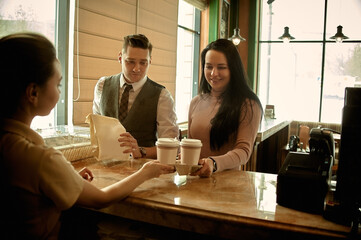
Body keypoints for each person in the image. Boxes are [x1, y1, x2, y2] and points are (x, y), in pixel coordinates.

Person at [0, 32, 175, 239]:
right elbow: (100, 199)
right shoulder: (41, 158)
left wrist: (67, 177)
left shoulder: (12, 145)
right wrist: (146, 172)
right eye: (58, 84)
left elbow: (172, 143)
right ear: (33, 93)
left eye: (143, 63)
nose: (136, 68)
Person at [93, 34, 179, 159]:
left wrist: (142, 151)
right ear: (120, 58)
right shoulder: (102, 86)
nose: (136, 69)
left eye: (143, 63)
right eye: (130, 61)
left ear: (150, 61)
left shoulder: (162, 96)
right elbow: (97, 133)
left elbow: (172, 147)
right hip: (106, 167)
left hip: (144, 170)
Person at [187, 39, 263, 178]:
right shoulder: (195, 102)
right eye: (209, 66)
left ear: (233, 69)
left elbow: (243, 151)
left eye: (221, 67)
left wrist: (213, 163)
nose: (213, 73)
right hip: (194, 181)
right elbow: (190, 145)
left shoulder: (249, 104)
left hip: (227, 184)